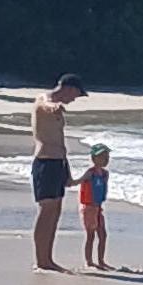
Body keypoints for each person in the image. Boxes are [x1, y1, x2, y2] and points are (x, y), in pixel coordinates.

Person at [29, 78, 88, 268]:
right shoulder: (44, 101)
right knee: (46, 210)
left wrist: (67, 171)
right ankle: (41, 260)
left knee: (56, 212)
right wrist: (53, 107)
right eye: (76, 95)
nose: (74, 100)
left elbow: (60, 141)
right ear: (69, 89)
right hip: (45, 162)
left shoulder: (58, 108)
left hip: (59, 162)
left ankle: (48, 258)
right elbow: (45, 103)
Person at [79, 142, 113, 268]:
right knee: (90, 235)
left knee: (103, 235)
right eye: (102, 157)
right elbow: (79, 181)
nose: (105, 160)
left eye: (107, 157)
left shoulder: (104, 174)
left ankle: (101, 260)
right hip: (88, 207)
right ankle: (89, 261)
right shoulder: (90, 173)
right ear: (94, 158)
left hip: (98, 207)